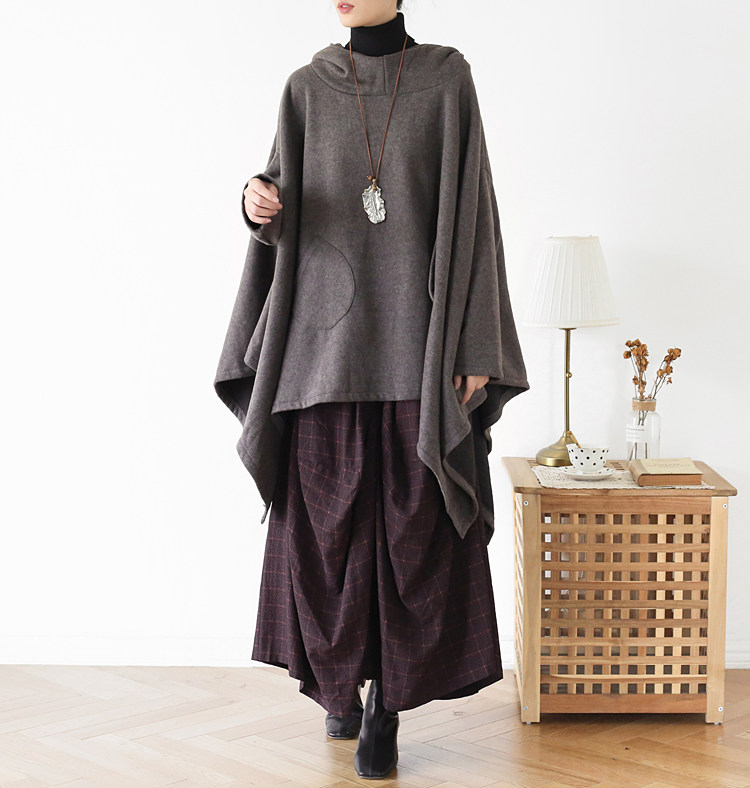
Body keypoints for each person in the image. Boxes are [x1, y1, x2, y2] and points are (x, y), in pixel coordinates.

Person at [215, 0, 531, 779]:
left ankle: (385, 706)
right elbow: (280, 206)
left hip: (415, 351)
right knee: (324, 543)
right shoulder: (306, 86)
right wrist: (256, 202)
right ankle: (338, 689)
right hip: (320, 355)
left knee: (412, 539)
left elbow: (475, 216)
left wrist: (476, 345)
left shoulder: (446, 81)